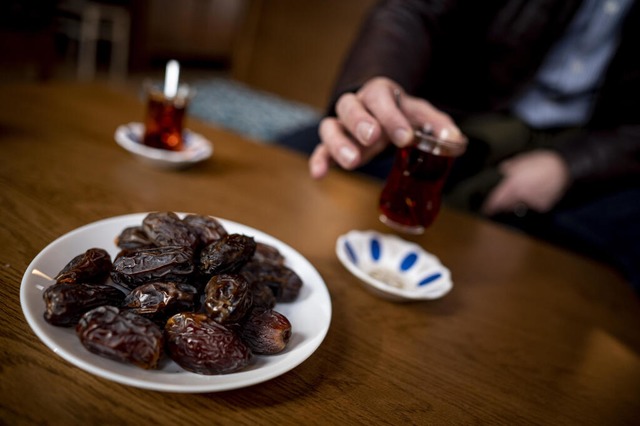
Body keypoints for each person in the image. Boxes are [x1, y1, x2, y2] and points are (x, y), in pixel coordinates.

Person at [278, 0, 640, 292]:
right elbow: (412, 9)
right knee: (294, 162)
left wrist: (568, 166)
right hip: (451, 115)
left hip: (598, 148)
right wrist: (378, 83)